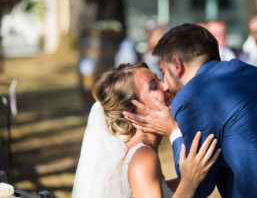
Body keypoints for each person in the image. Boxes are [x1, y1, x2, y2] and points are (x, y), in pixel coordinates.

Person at [124, 23, 257, 197]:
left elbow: (199, 186)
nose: (166, 86)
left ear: (177, 66)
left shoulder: (190, 96)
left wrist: (173, 131)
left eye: (164, 72)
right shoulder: (250, 70)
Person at [72, 63, 221, 198]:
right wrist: (189, 183)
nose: (166, 86)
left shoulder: (134, 154)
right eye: (153, 87)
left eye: (159, 79)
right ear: (133, 110)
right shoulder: (143, 157)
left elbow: (158, 188)